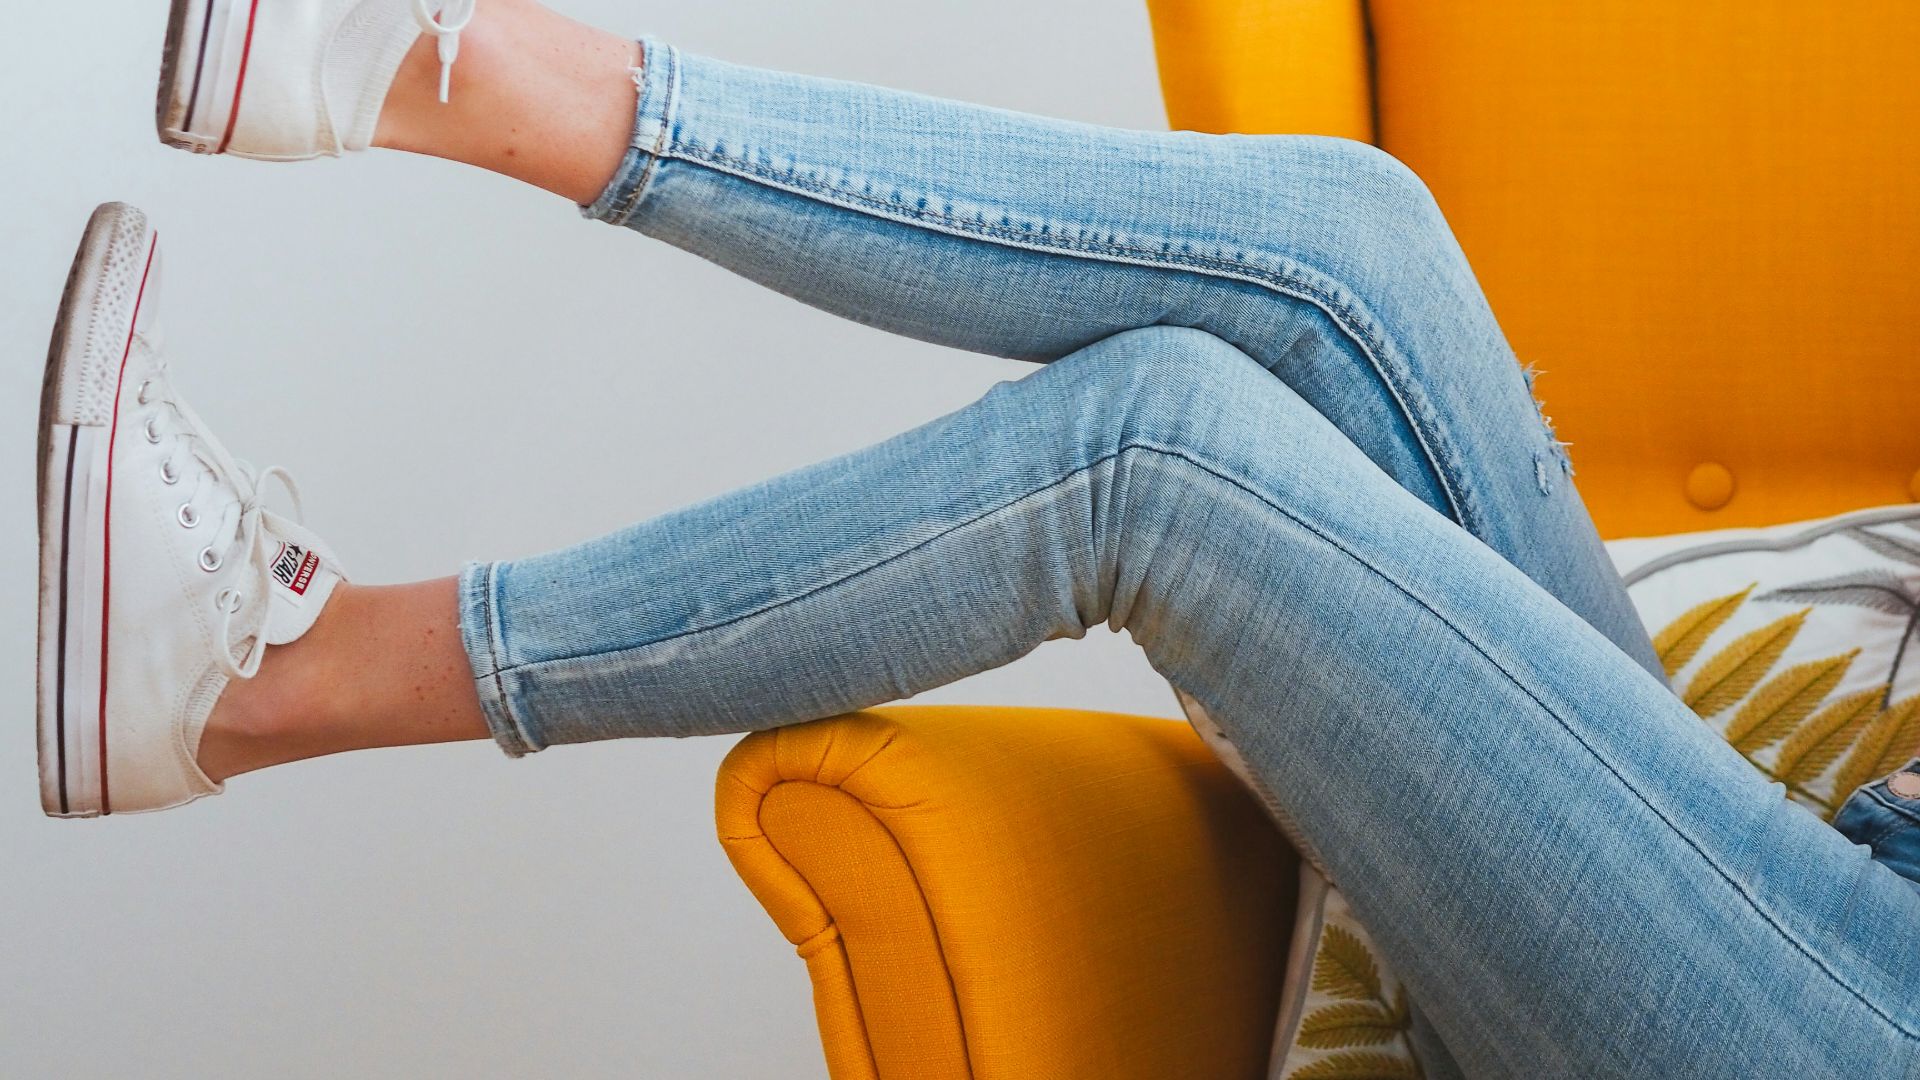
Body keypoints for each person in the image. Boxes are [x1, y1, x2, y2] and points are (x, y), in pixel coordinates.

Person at [34, 1, 1920, 1075]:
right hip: (1839, 908)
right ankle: (430, 78)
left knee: (1158, 453)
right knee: (1349, 249)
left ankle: (256, 686)